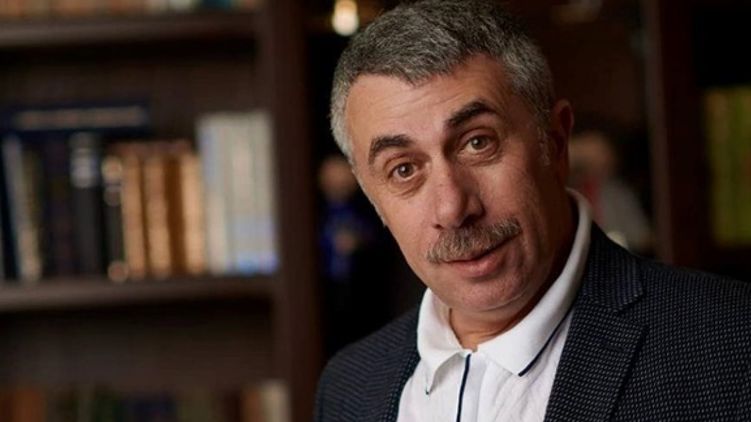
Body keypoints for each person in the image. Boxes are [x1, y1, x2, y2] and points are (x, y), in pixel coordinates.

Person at [314, 1, 751, 421]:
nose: (453, 208)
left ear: (555, 143)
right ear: (374, 198)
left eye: (478, 143)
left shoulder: (731, 346)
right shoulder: (348, 388)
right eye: (404, 169)